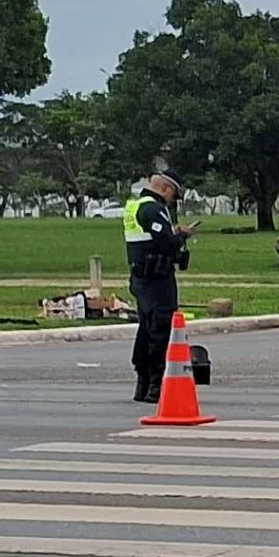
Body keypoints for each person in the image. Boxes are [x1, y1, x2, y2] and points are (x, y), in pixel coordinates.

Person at [121, 171, 190, 402]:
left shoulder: (134, 206)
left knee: (146, 328)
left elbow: (150, 238)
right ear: (166, 189)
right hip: (157, 279)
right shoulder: (153, 208)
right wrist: (181, 236)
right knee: (159, 330)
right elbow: (167, 244)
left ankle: (142, 383)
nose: (172, 201)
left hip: (140, 278)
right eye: (174, 196)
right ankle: (155, 385)